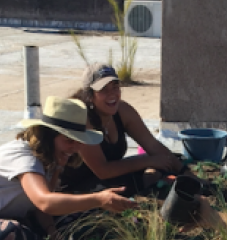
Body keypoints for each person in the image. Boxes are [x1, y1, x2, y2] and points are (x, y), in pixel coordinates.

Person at [0, 95, 136, 240]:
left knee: (81, 214)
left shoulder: (52, 161)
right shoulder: (23, 157)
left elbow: (41, 209)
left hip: (21, 217)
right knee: (12, 235)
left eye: (78, 142)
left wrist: (53, 234)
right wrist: (99, 199)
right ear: (48, 137)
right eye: (68, 141)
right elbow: (45, 202)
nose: (74, 148)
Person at [59, 64, 183, 196]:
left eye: (115, 87)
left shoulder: (123, 111)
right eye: (103, 90)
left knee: (166, 163)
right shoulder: (82, 120)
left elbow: (152, 144)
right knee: (128, 185)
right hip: (80, 187)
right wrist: (149, 160)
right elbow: (103, 170)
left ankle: (153, 185)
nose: (112, 94)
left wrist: (183, 170)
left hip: (111, 178)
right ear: (90, 95)